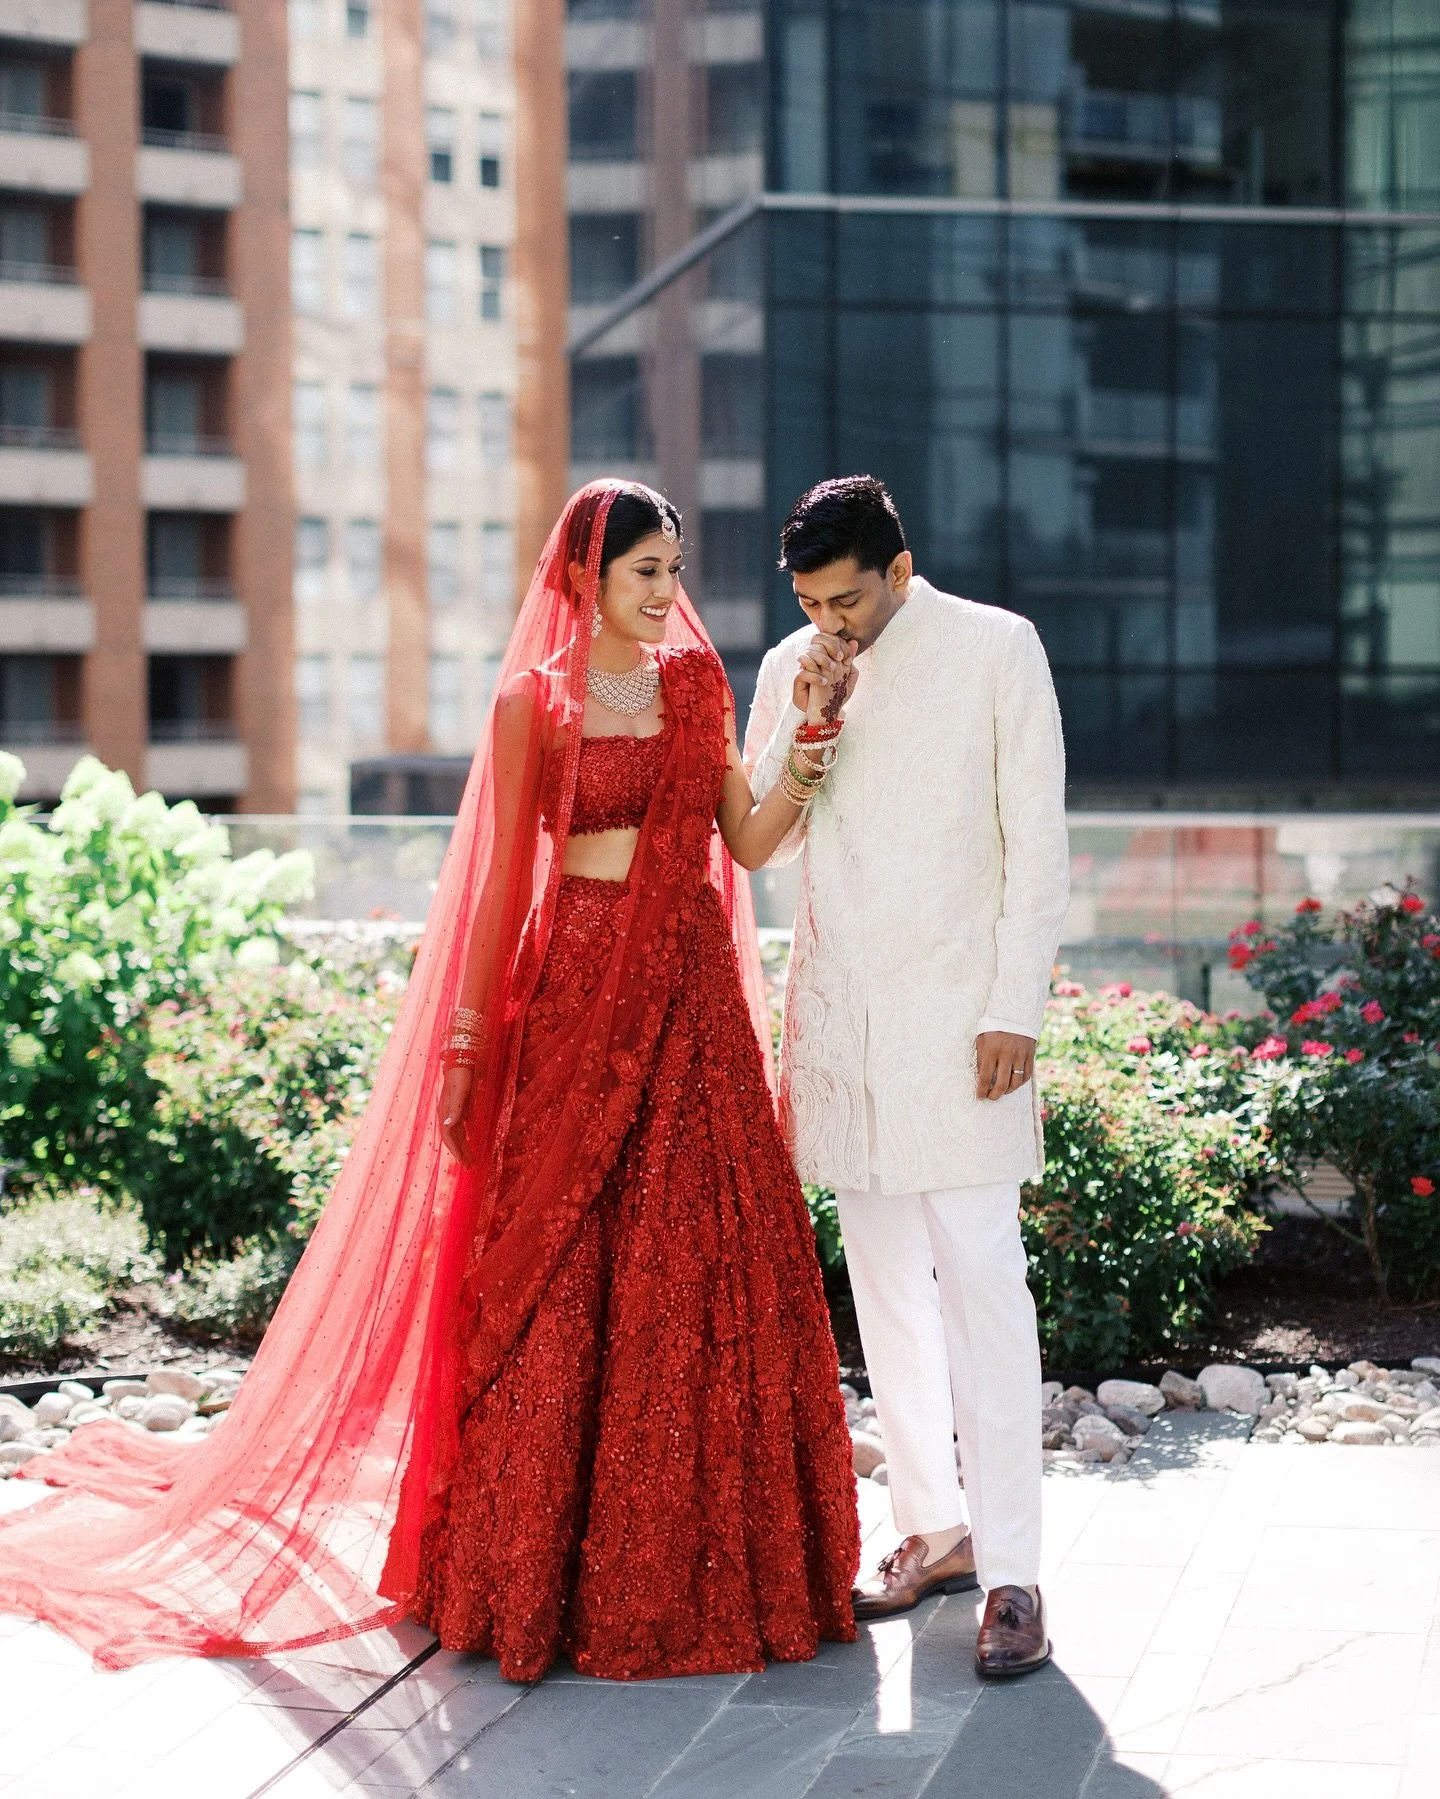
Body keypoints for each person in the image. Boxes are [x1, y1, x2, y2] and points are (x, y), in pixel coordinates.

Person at [0, 481, 859, 1681]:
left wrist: (811, 736)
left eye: (674, 570)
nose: (671, 595)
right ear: (586, 581)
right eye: (646, 574)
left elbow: (749, 840)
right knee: (556, 1273)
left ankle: (715, 1559)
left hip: (692, 1009)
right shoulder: (536, 704)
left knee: (700, 1268)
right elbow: (504, 888)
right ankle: (540, 1569)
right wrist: (469, 1046)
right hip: (574, 999)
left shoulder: (699, 687)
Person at [744, 475, 1069, 1680]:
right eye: (813, 603)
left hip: (965, 1023)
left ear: (900, 565)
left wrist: (1012, 1008)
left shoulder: (996, 647)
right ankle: (930, 1528)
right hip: (843, 1024)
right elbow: (754, 834)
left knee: (987, 1280)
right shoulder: (794, 665)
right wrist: (811, 717)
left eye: (849, 600)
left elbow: (1037, 839)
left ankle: (1017, 1574)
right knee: (882, 1283)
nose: (834, 621)